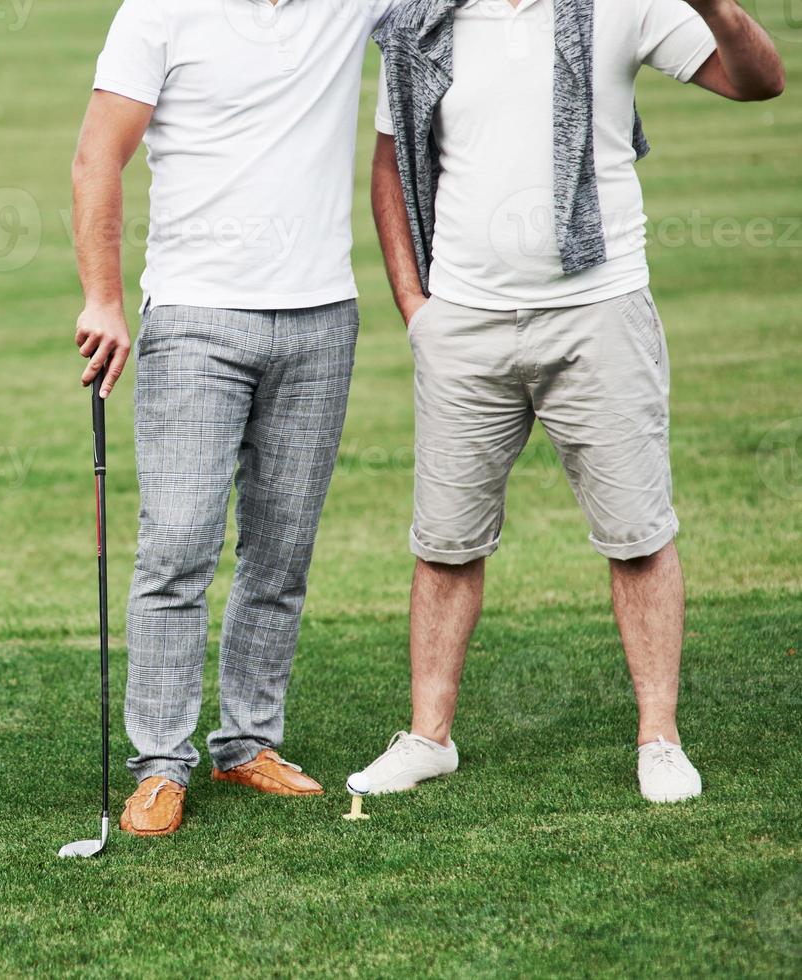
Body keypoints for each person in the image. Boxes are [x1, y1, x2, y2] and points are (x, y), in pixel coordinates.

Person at [351, 0, 784, 803]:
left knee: (638, 535)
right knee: (444, 542)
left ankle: (660, 739)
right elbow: (390, 163)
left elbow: (760, 81)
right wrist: (418, 310)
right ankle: (428, 737)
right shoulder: (422, 15)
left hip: (599, 314)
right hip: (465, 324)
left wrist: (718, 7)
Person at [70, 0, 396, 836]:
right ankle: (159, 766)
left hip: (323, 317)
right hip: (194, 319)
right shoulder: (157, 13)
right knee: (178, 545)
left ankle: (247, 741)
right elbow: (96, 155)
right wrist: (103, 299)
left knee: (281, 548)